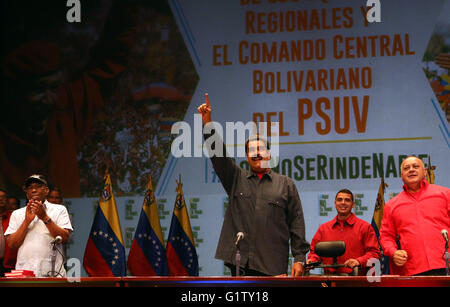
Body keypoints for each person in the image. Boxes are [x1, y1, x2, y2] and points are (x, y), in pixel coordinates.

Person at [197, 94, 310, 276]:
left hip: (272, 263)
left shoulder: (285, 184)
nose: (256, 154)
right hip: (240, 263)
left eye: (260, 149)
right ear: (247, 156)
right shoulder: (235, 178)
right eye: (251, 150)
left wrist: (299, 258)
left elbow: (296, 223)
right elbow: (218, 155)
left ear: (268, 154)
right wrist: (208, 124)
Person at [379, 156, 450, 276]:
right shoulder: (392, 205)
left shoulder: (445, 194)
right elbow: (386, 236)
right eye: (406, 168)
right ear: (401, 176)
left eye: (416, 166)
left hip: (446, 264)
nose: (411, 170)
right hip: (413, 269)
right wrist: (394, 252)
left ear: (425, 172)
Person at [4, 174, 73, 277]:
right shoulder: (17, 214)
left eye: (37, 186)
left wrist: (44, 217)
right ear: (27, 194)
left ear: (46, 190)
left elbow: (64, 237)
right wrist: (26, 221)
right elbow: (12, 244)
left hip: (52, 272)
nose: (34, 190)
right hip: (25, 273)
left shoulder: (59, 210)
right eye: (30, 188)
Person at [306, 189, 380, 275]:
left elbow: (374, 254)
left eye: (347, 200)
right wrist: (312, 260)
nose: (343, 203)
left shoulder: (365, 227)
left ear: (353, 205)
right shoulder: (323, 229)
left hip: (357, 281)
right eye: (339, 200)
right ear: (335, 203)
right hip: (329, 280)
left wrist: (358, 261)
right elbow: (314, 253)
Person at [0, 189, 17, 276]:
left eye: (3, 197)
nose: (1, 199)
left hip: (9, 263)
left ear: (7, 201)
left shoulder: (13, 218)